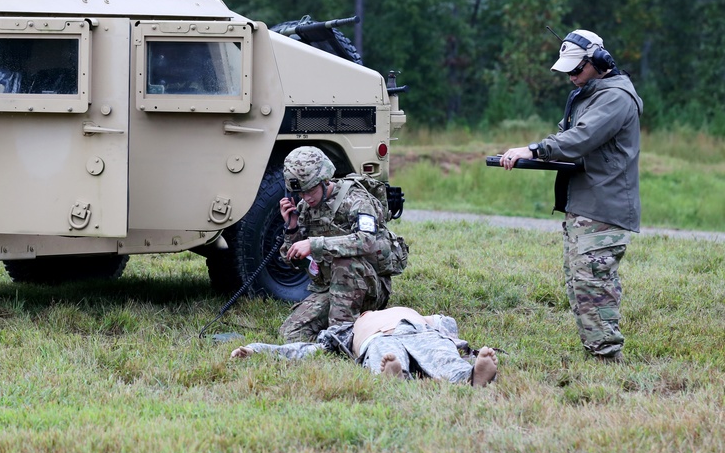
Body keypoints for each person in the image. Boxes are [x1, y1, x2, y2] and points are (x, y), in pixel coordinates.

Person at [499, 29, 642, 363]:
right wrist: (534, 154)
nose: (572, 77)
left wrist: (534, 149)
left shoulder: (615, 97)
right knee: (581, 284)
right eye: (568, 71)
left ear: (600, 62)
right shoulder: (591, 95)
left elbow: (579, 139)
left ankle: (607, 361)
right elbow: (569, 138)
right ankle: (598, 354)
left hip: (603, 208)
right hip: (585, 205)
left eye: (577, 70)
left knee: (594, 284)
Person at [277, 146, 409, 342]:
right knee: (291, 334)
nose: (306, 198)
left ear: (325, 180)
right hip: (331, 287)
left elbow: (367, 241)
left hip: (369, 285)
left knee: (344, 262)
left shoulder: (356, 199)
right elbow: (292, 261)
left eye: (311, 190)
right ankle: (336, 336)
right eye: (301, 193)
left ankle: (342, 336)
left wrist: (314, 245)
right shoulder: (305, 208)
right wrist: (292, 228)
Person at [230, 306, 499, 387]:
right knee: (385, 355)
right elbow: (307, 350)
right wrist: (258, 349)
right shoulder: (349, 329)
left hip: (418, 330)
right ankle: (394, 374)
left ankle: (471, 376)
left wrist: (449, 337)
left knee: (442, 354)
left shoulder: (408, 312)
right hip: (377, 340)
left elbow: (446, 323)